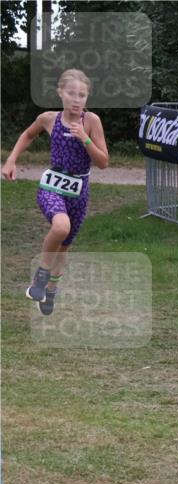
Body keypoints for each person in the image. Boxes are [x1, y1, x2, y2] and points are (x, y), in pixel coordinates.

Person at [2, 69, 109, 315]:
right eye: (71, 93)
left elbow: (103, 162)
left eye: (81, 95)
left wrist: (85, 139)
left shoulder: (91, 122)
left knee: (64, 248)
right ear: (60, 93)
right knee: (61, 228)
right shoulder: (48, 119)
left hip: (79, 192)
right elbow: (28, 134)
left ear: (87, 98)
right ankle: (40, 277)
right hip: (52, 186)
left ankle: (49, 291)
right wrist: (11, 161)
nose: (76, 99)